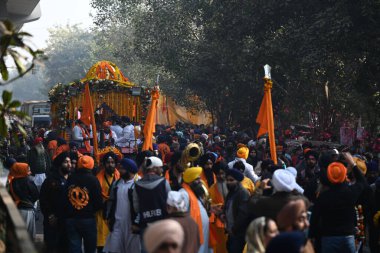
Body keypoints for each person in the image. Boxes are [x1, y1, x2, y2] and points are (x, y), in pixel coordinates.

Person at [309, 152, 366, 253]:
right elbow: (362, 181)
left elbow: (314, 218)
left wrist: (311, 236)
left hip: (328, 238)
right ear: (344, 175)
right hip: (347, 237)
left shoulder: (323, 197)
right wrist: (352, 163)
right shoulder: (351, 193)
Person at [64, 155, 103, 253]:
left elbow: (64, 197)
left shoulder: (70, 178)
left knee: (74, 246)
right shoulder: (94, 180)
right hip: (88, 219)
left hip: (71, 218)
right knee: (90, 248)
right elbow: (98, 202)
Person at [133, 156, 171, 251]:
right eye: (160, 167)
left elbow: (136, 207)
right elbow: (170, 202)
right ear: (154, 168)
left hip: (145, 225)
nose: (162, 169)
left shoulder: (137, 185)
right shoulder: (163, 182)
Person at [104, 158, 141, 253]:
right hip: (117, 225)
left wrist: (137, 223)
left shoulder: (139, 183)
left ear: (129, 170)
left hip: (132, 226)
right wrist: (108, 216)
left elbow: (142, 206)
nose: (119, 170)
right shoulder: (116, 184)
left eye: (122, 169)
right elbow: (111, 201)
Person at [40, 151, 71, 253]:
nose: (69, 164)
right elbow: (43, 199)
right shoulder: (50, 180)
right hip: (52, 222)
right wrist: (49, 215)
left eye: (70, 162)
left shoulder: (72, 179)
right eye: (66, 162)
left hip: (67, 222)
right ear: (60, 164)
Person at [179, 167, 212, 253]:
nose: (200, 182)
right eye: (197, 179)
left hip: (201, 235)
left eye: (199, 178)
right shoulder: (183, 194)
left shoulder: (195, 192)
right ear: (190, 181)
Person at [95, 152, 120, 252]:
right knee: (101, 243)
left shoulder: (120, 177)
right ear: (104, 164)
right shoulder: (98, 178)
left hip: (115, 212)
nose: (110, 164)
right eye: (108, 162)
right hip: (101, 213)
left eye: (112, 162)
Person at [8, 162, 39, 239]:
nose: (30, 172)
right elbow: (36, 195)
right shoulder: (28, 181)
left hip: (17, 208)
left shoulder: (12, 181)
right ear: (22, 170)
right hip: (27, 210)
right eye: (28, 170)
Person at [224, 168, 250, 253]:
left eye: (231, 180)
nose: (228, 182)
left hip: (238, 233)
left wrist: (234, 229)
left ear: (238, 181)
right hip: (232, 231)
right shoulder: (231, 192)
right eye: (227, 180)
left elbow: (243, 214)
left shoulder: (242, 193)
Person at [209, 162, 228, 253]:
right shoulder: (212, 189)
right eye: (217, 174)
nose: (220, 176)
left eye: (222, 173)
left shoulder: (234, 186)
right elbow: (210, 206)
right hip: (219, 227)